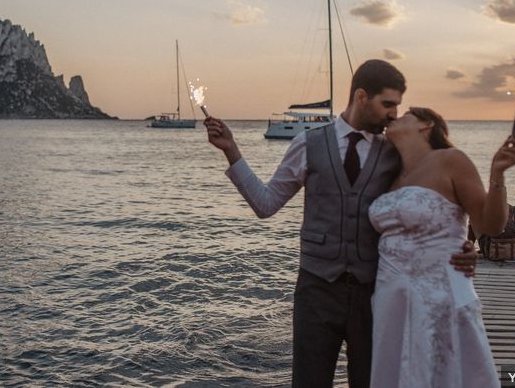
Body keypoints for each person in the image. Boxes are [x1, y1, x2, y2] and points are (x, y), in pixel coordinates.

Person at [203, 60, 477, 388]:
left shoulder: (395, 152)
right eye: (387, 104)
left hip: (375, 292)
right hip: (316, 291)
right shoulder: (307, 144)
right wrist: (232, 151)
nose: (393, 114)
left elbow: (436, 198)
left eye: (398, 106)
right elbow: (265, 204)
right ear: (361, 96)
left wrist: (462, 243)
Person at [368, 107, 515, 388]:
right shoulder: (388, 175)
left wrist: (497, 173)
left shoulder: (451, 160)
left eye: (404, 115)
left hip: (440, 294)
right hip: (392, 298)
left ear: (426, 125)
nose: (394, 118)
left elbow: (489, 224)